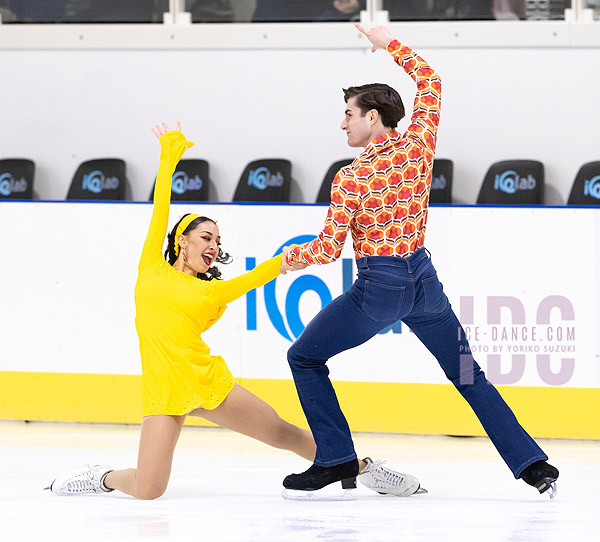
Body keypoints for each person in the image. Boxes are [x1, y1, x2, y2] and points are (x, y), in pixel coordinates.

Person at [47, 122, 420, 499]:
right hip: (162, 391)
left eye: (218, 241)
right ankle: (102, 477)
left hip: (206, 384)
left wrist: (288, 260)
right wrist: (169, 155)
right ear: (182, 240)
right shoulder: (151, 267)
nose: (212, 246)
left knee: (282, 433)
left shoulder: (212, 292)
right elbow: (161, 206)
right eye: (205, 237)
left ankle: (364, 469)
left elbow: (257, 276)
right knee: (148, 489)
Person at [283, 24, 559, 498]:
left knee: (304, 356)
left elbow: (328, 249)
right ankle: (534, 466)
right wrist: (388, 44)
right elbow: (430, 79)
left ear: (372, 117)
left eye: (348, 114)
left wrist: (292, 258)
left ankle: (336, 457)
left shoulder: (352, 177)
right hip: (424, 285)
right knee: (469, 375)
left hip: (379, 291)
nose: (343, 124)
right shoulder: (419, 145)